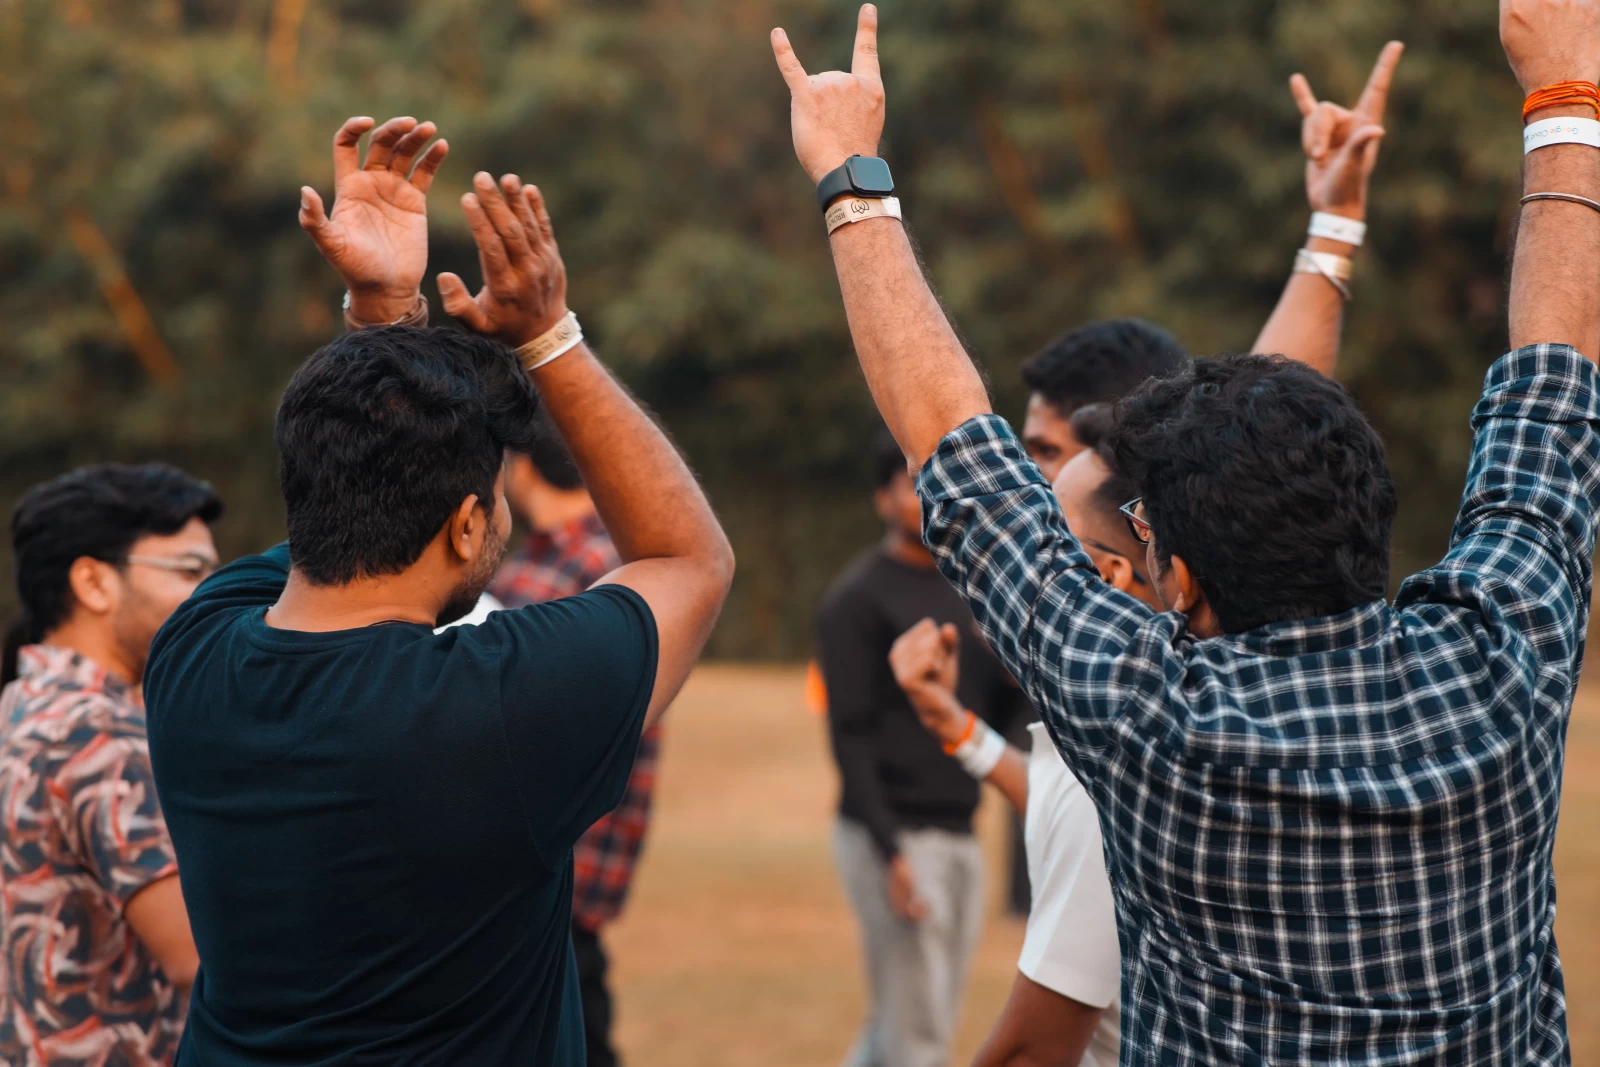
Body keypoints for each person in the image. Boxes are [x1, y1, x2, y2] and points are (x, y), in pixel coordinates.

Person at [773, 3, 1592, 1061]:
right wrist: (1567, 87)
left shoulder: (1153, 724)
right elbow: (1556, 366)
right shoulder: (1499, 666)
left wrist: (850, 178)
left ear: (1183, 579)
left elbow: (950, 440)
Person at [142, 116, 734, 1065]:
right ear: (465, 524)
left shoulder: (192, 652)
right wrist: (550, 333)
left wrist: (382, 316)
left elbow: (346, 489)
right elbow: (687, 559)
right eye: (494, 504)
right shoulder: (496, 708)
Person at [0, 463, 220, 1066]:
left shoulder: (22, 704)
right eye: (190, 571)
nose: (212, 592)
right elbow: (199, 957)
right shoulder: (100, 734)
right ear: (94, 583)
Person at [815, 430, 1021, 1067]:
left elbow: (1006, 713)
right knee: (919, 1036)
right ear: (883, 499)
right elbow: (848, 735)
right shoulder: (857, 600)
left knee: (917, 1018)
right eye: (908, 483)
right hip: (896, 836)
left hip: (961, 830)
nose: (924, 497)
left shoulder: (970, 590)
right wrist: (891, 853)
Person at [491, 415, 662, 1067]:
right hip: (581, 861)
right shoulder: (619, 559)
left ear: (521, 466)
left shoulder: (556, 579)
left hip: (550, 864)